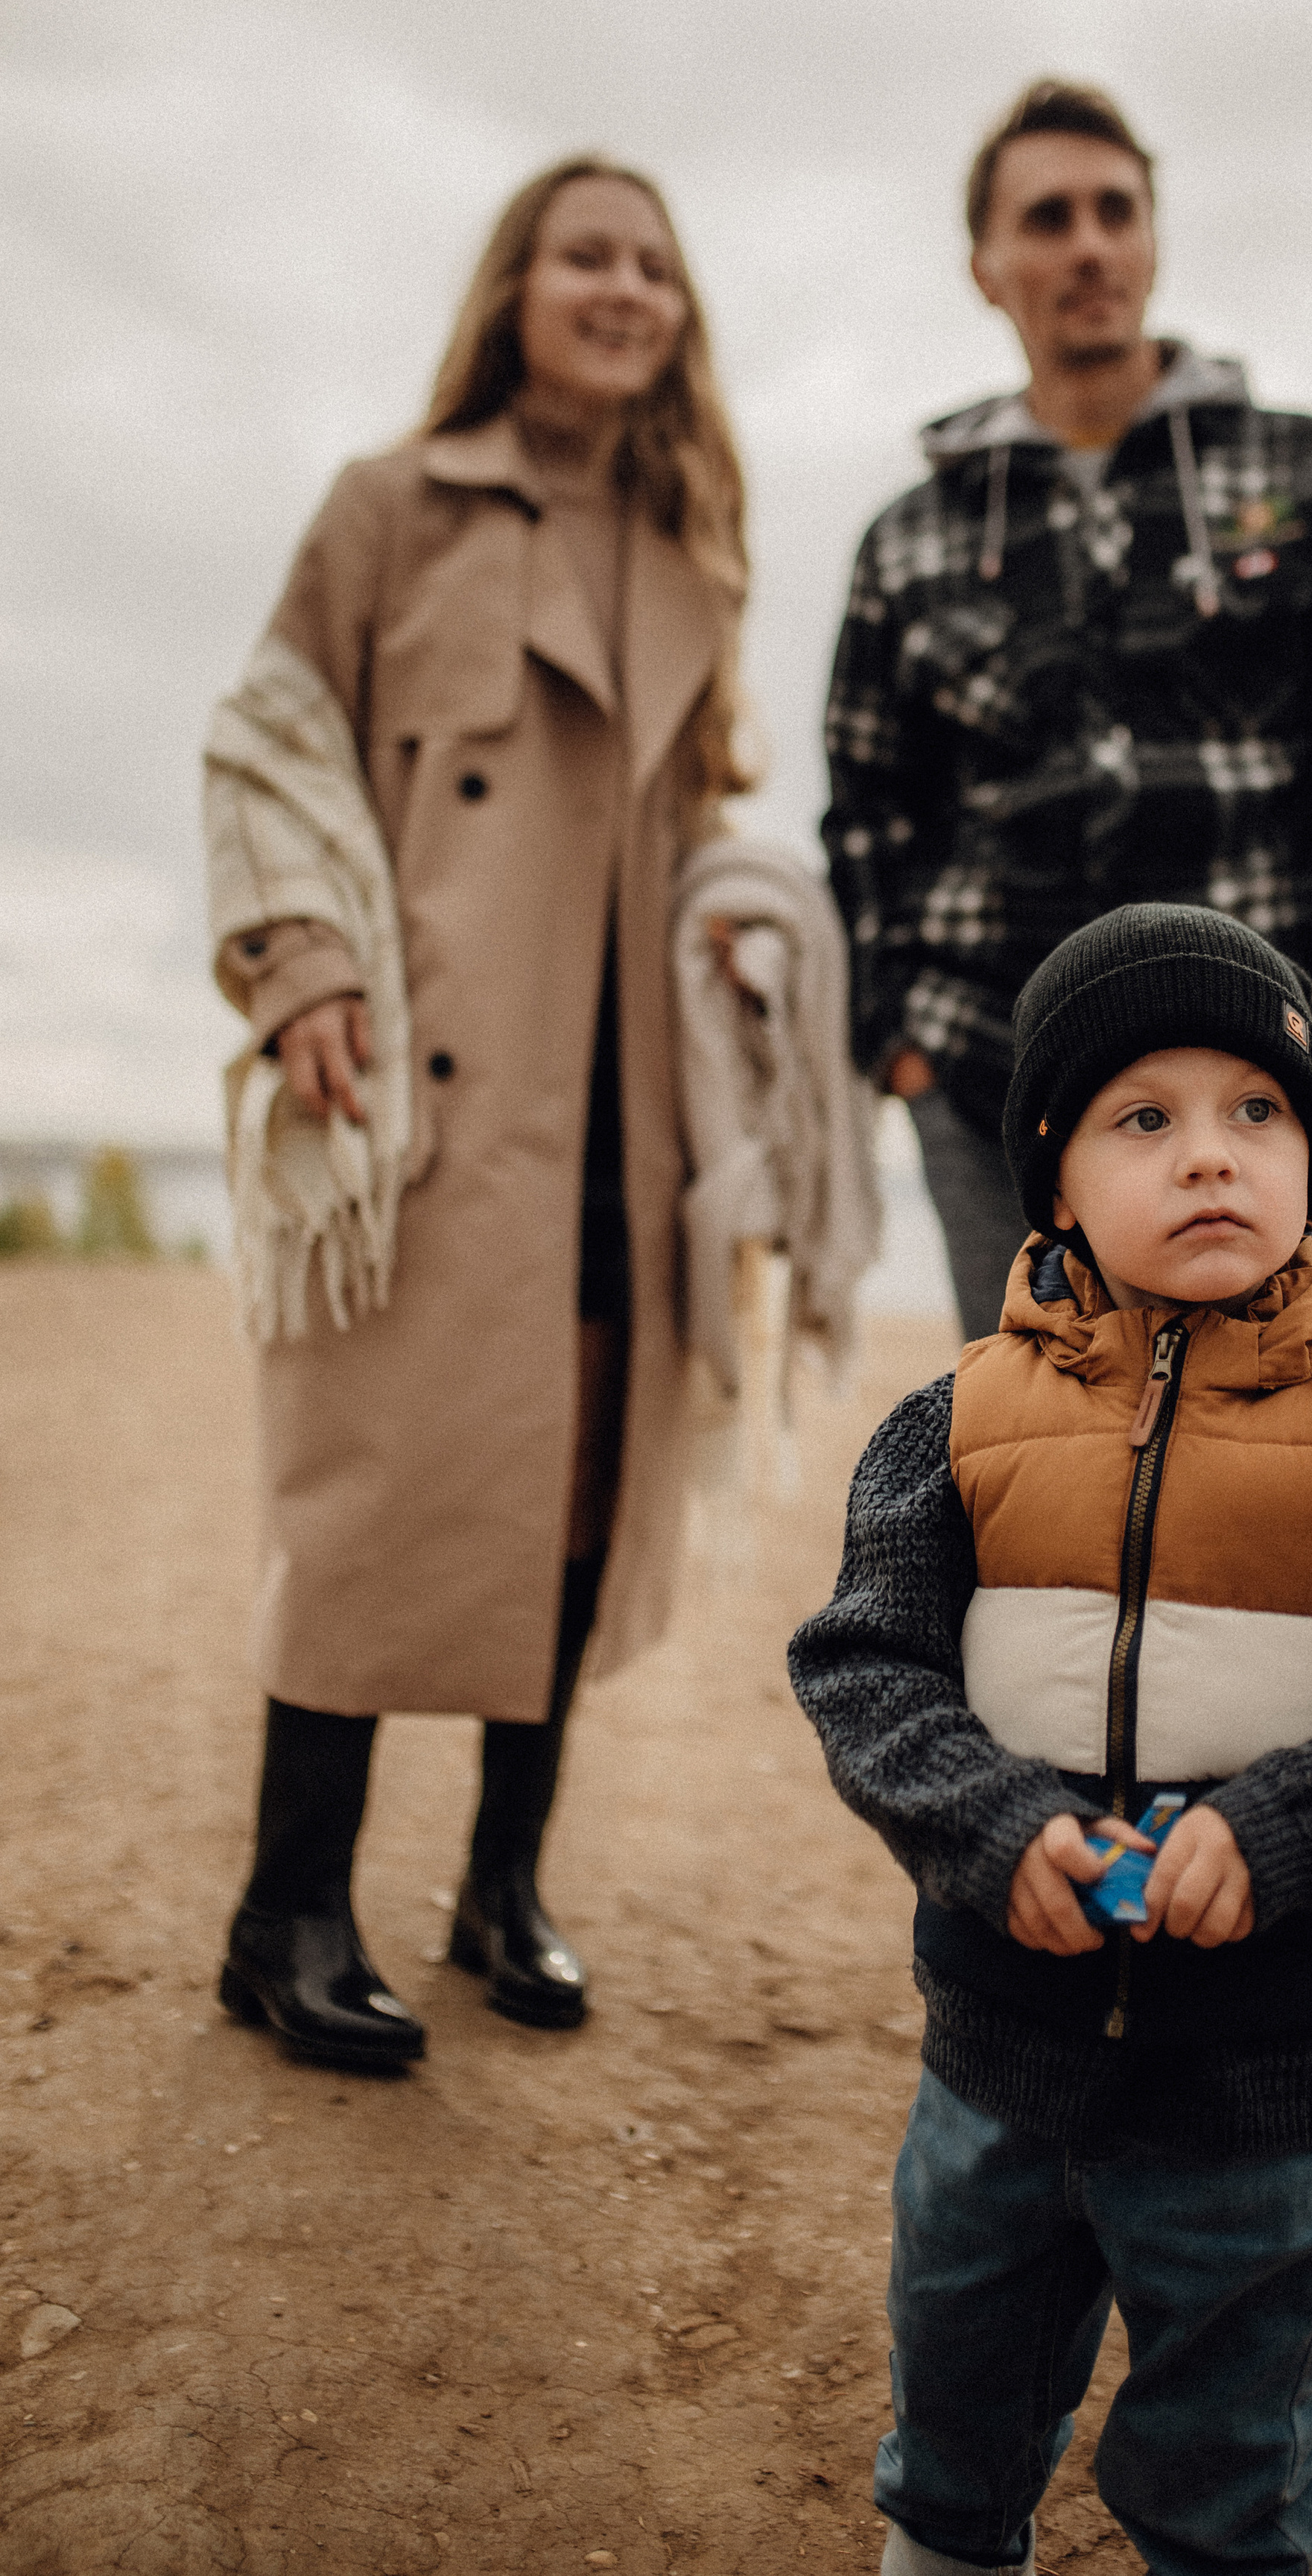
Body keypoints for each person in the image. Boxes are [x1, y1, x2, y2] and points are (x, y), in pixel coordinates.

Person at [789, 902, 1312, 2576]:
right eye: (1145, 1118)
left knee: (1225, 2471)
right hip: (998, 2054)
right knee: (956, 2415)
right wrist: (989, 1830)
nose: (1209, 1156)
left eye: (1256, 1111)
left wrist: (1286, 1833)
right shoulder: (956, 1425)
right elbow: (863, 1668)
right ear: (1052, 1179)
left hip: (1256, 2086)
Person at [202, 155, 751, 2068]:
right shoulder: (385, 510)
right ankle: (286, 1913)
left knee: (579, 1496)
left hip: (630, 1113)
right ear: (516, 284)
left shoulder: (696, 555)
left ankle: (501, 1885)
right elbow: (265, 743)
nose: (622, 289)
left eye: (653, 267)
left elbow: (703, 826)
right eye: (586, 255)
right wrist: (299, 973)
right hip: (427, 1101)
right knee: (371, 1499)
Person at [823, 78, 1312, 1344]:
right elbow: (867, 817)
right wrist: (899, 1045)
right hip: (989, 1079)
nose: (1089, 245)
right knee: (1026, 1466)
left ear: (1155, 238)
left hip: (1264, 1081)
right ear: (987, 264)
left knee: (1287, 1457)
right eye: (1049, 217)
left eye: (1116, 211)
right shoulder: (910, 539)